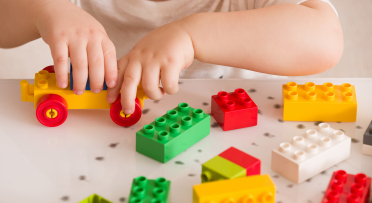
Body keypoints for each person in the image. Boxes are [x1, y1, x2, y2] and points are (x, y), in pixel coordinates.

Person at [0, 0, 343, 115]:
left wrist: (193, 35)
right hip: (118, 137)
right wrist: (44, 9)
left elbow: (324, 38)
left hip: (237, 136)